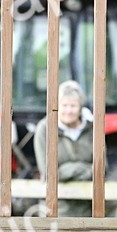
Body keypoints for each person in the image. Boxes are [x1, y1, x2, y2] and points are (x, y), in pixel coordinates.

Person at [33, 80, 95, 218]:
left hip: (87, 210)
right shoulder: (44, 129)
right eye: (64, 105)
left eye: (73, 106)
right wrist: (83, 169)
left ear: (80, 107)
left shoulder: (92, 129)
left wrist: (65, 170)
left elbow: (101, 169)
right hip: (55, 210)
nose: (68, 110)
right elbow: (49, 173)